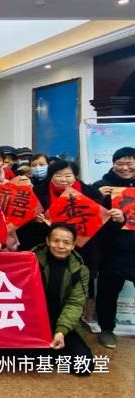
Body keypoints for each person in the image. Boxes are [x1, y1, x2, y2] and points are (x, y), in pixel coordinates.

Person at [33, 160, 117, 316]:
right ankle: (45, 315)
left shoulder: (91, 193)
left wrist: (115, 218)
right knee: (49, 282)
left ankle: (79, 317)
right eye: (58, 175)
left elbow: (101, 223)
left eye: (68, 175)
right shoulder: (38, 192)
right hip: (51, 247)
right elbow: (28, 224)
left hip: (84, 249)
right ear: (51, 176)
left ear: (76, 176)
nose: (64, 179)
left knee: (80, 284)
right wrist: (38, 221)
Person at [32, 223, 93, 376]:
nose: (60, 246)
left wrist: (61, 331)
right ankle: (48, 353)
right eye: (55, 240)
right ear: (47, 241)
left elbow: (75, 304)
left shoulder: (81, 271)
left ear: (73, 245)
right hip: (32, 324)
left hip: (62, 325)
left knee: (84, 366)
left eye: (66, 242)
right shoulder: (29, 261)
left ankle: (53, 349)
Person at [93, 147, 134, 349]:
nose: (125, 167)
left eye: (130, 163)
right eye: (120, 163)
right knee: (108, 292)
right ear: (113, 163)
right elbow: (88, 214)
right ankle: (106, 329)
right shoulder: (102, 185)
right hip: (112, 249)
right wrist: (98, 197)